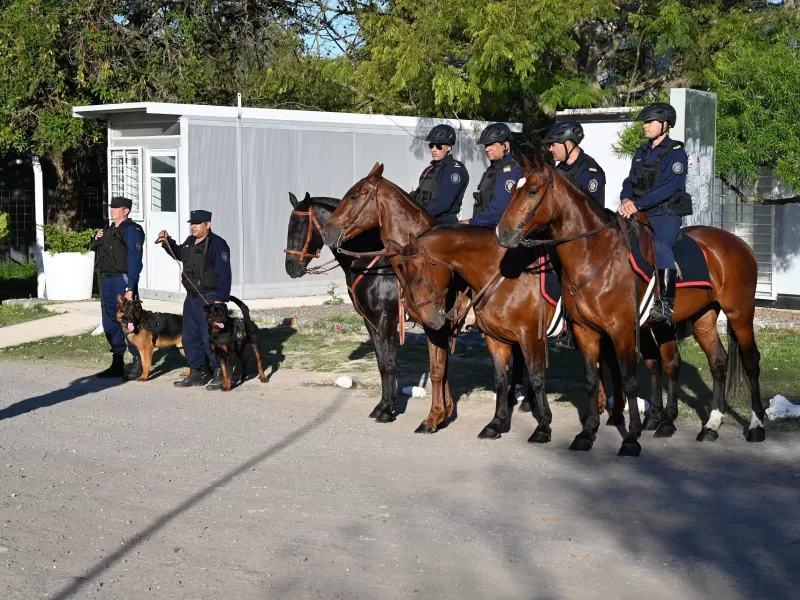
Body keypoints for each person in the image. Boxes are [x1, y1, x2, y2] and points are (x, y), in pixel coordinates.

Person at [619, 101, 692, 326]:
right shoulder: (641, 152)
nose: (645, 126)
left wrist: (638, 205)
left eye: (649, 122)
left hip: (665, 214)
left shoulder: (676, 153)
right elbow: (629, 180)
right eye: (645, 122)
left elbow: (670, 187)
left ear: (665, 125)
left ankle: (666, 303)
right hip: (638, 211)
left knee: (660, 247)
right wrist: (626, 198)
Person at [155, 210, 232, 389]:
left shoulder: (217, 244)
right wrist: (167, 242)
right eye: (192, 224)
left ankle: (219, 372)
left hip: (210, 299)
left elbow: (224, 273)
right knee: (190, 337)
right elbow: (180, 254)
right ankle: (197, 371)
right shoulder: (190, 242)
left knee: (209, 338)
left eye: (198, 224)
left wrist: (220, 300)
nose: (193, 227)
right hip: (191, 299)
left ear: (208, 224)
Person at [92, 196, 145, 379]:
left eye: (116, 208)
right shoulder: (109, 230)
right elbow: (100, 252)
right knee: (110, 320)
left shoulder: (131, 230)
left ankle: (139, 362)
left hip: (122, 280)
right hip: (107, 279)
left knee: (130, 321)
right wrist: (97, 239)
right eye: (111, 207)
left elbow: (135, 259)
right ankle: (117, 362)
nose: (112, 210)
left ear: (126, 210)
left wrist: (131, 286)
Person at [462, 123, 523, 228]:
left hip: (497, 233)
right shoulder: (493, 169)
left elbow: (499, 209)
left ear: (506, 145)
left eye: (492, 144)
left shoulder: (509, 171)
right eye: (486, 145)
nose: (486, 149)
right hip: (484, 229)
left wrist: (472, 222)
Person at [409, 124, 470, 224]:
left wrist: (418, 215)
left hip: (443, 224)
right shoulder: (430, 169)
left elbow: (443, 203)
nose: (434, 149)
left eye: (438, 146)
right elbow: (417, 195)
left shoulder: (454, 170)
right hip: (425, 221)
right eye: (431, 145)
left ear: (449, 147)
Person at [543, 120, 606, 207]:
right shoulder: (560, 168)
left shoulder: (589, 172)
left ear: (567, 145)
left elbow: (585, 210)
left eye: (553, 144)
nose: (550, 149)